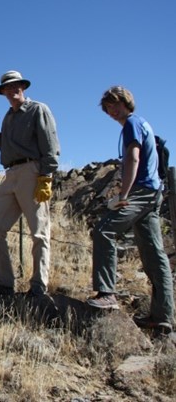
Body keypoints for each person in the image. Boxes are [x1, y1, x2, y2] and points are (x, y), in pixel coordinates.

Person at [86, 86, 173, 335]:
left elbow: (133, 158)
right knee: (153, 252)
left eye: (112, 106)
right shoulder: (143, 123)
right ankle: (162, 316)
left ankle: (107, 293)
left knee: (103, 230)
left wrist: (123, 195)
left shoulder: (132, 124)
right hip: (153, 193)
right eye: (107, 109)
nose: (110, 112)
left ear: (123, 102)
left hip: (142, 192)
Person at [0, 70, 60, 297]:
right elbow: (6, 145)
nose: (13, 90)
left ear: (23, 87)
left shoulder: (37, 109)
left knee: (39, 232)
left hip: (32, 171)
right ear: (3, 91)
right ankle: (3, 282)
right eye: (9, 87)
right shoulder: (9, 116)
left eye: (17, 86)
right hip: (10, 173)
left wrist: (46, 177)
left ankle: (38, 287)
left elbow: (50, 145)